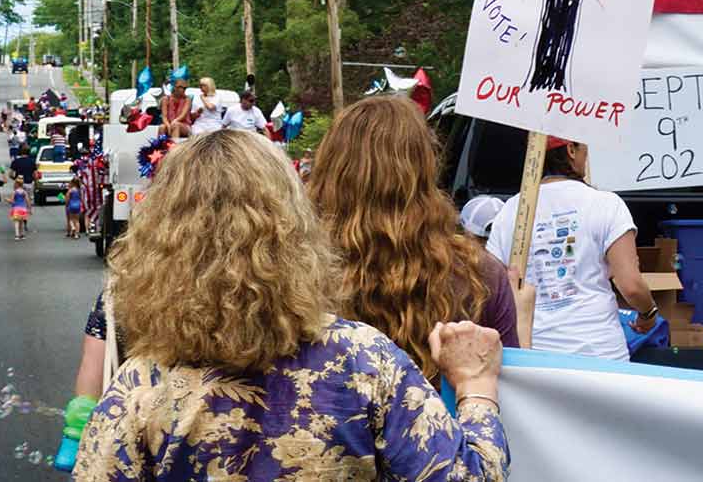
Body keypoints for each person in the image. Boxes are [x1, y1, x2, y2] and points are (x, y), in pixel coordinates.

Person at [72, 130, 509, 482]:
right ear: (296, 226)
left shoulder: (140, 387)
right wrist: (476, 387)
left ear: (160, 242)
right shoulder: (364, 362)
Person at [309, 96, 527, 379]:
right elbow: (506, 393)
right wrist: (522, 317)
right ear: (427, 169)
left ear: (329, 170)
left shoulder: (298, 274)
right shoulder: (479, 275)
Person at [486, 136, 656, 359]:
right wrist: (648, 313)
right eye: (585, 148)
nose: (587, 159)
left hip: (533, 356)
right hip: (601, 354)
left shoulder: (511, 211)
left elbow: (489, 289)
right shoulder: (606, 204)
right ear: (571, 150)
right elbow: (631, 285)